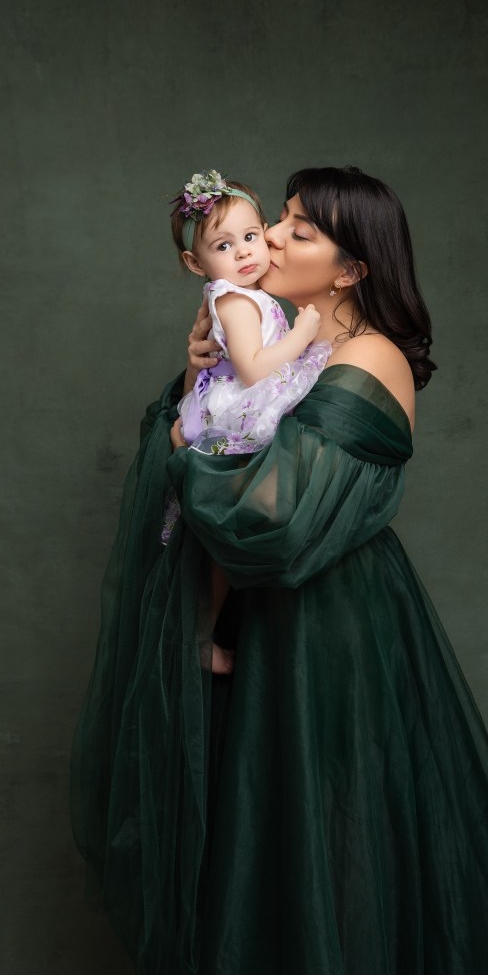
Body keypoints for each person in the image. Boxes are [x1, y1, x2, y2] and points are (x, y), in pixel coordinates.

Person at [71, 165, 488, 975]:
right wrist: (197, 381)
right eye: (279, 219)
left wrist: (193, 449)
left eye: (297, 231)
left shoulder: (369, 357)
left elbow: (272, 516)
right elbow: (216, 445)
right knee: (259, 835)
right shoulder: (269, 337)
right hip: (261, 619)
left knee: (332, 835)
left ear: (349, 271)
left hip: (328, 623)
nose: (269, 239)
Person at [161, 169, 331, 674]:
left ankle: (204, 630)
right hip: (231, 416)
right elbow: (255, 369)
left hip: (230, 405)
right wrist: (304, 334)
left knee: (225, 536)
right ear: (196, 263)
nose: (244, 253)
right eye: (224, 245)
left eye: (251, 236)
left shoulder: (245, 294)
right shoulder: (234, 299)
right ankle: (199, 636)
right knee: (228, 531)